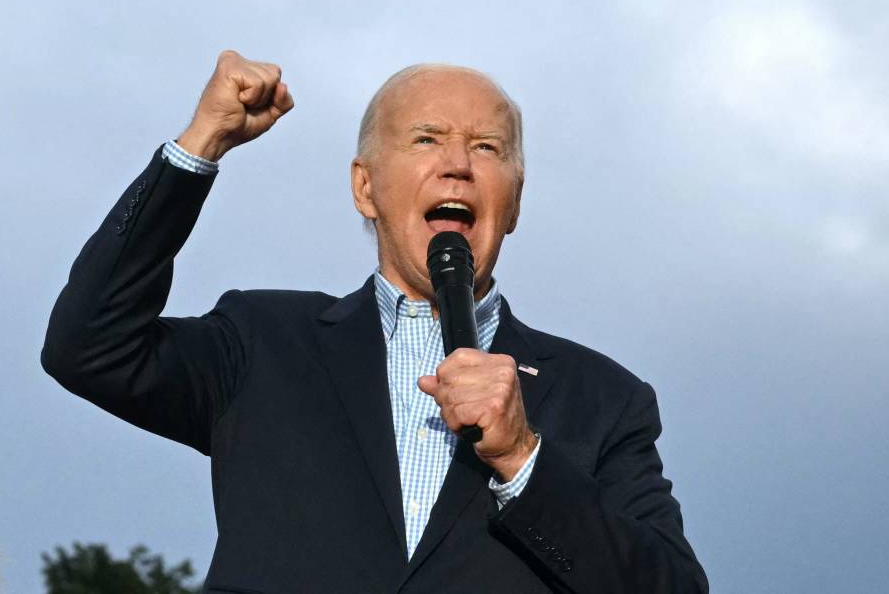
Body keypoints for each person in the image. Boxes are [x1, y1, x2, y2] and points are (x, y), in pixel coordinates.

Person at [42, 51, 708, 593]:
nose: (457, 164)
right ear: (366, 187)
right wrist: (202, 143)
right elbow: (90, 347)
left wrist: (521, 458)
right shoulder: (263, 342)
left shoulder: (604, 399)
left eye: (486, 147)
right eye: (427, 139)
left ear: (514, 202)